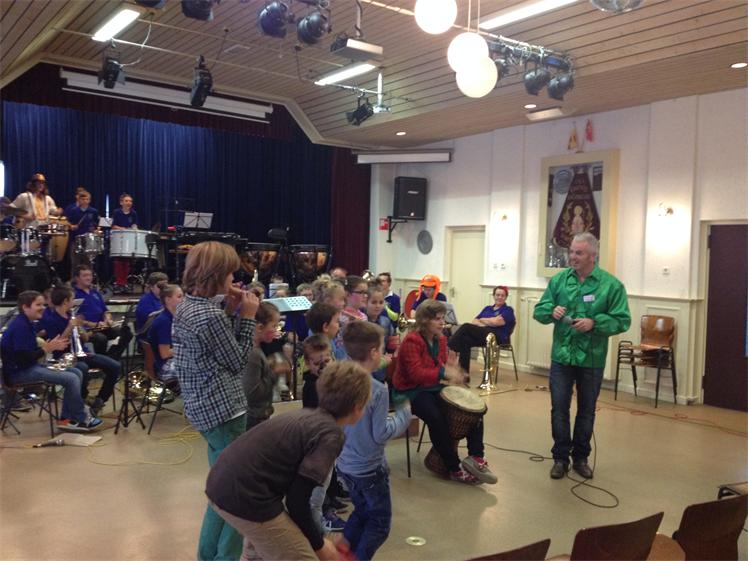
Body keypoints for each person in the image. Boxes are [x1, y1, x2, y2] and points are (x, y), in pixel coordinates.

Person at [205, 361, 371, 561]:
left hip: (223, 483)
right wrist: (320, 546)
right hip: (247, 495)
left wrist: (316, 537)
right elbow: (297, 502)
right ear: (357, 407)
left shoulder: (309, 417)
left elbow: (295, 498)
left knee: (266, 550)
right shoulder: (330, 435)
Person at [171, 241, 259, 561]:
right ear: (217, 275)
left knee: (220, 492)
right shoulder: (210, 316)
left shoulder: (187, 306)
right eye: (231, 273)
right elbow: (237, 361)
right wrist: (247, 317)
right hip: (224, 413)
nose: (234, 279)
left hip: (203, 411)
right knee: (237, 496)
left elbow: (215, 350)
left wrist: (231, 311)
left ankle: (208, 556)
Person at [533, 232, 631, 480]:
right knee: (559, 409)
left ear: (593, 256)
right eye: (571, 252)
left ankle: (581, 458)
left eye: (579, 253)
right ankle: (560, 458)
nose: (573, 257)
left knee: (586, 411)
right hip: (562, 357)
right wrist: (551, 311)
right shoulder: (559, 281)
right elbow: (539, 310)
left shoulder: (611, 285)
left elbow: (622, 320)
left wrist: (594, 323)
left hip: (591, 359)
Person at [393, 299, 496, 485]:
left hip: (431, 386)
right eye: (437, 319)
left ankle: (476, 457)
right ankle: (454, 467)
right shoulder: (412, 341)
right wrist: (444, 372)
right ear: (424, 320)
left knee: (473, 411)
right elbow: (416, 374)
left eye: (442, 318)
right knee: (436, 417)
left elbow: (439, 365)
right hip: (410, 390)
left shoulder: (440, 339)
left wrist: (454, 373)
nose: (442, 322)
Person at [338, 321, 411, 561]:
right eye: (381, 349)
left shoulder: (338, 378)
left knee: (361, 511)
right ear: (373, 353)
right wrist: (404, 413)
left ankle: (341, 552)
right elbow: (381, 433)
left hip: (345, 465)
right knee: (379, 523)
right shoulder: (377, 390)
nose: (382, 353)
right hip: (369, 469)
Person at [0, 290, 101, 432]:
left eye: (43, 304)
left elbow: (27, 353)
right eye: (38, 305)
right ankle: (81, 417)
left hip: (28, 367)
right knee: (71, 378)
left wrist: (47, 348)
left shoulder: (26, 323)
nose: (43, 307)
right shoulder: (20, 326)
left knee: (76, 372)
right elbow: (22, 358)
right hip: (19, 373)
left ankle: (66, 418)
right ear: (25, 307)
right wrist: (46, 349)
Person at [37, 285, 122, 417]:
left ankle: (100, 400)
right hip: (64, 357)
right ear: (65, 301)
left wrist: (80, 329)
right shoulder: (51, 319)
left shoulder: (71, 315)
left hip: (82, 353)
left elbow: (85, 339)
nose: (74, 302)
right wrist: (70, 327)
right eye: (72, 299)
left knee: (115, 366)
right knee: (82, 369)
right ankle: (82, 401)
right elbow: (59, 343)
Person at [448, 286, 516, 376]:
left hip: (497, 337)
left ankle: (450, 347)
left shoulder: (508, 310)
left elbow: (498, 322)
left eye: (502, 295)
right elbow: (474, 321)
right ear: (494, 296)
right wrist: (490, 321)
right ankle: (463, 374)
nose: (499, 297)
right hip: (484, 336)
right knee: (465, 340)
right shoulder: (487, 308)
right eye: (497, 295)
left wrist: (483, 320)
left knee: (466, 326)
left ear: (506, 297)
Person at [73, 264, 132, 361]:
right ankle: (105, 362)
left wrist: (107, 319)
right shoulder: (74, 294)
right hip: (87, 330)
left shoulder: (95, 292)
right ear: (77, 278)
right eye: (85, 276)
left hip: (102, 326)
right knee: (101, 339)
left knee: (126, 333)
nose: (88, 278)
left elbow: (105, 311)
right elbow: (75, 319)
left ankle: (110, 359)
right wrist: (94, 324)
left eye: (90, 275)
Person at [241, 301, 281, 431]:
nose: (276, 330)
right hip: (254, 417)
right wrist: (274, 373)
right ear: (259, 327)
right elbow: (252, 393)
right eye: (274, 326)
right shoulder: (253, 354)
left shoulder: (255, 350)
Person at [147, 283, 183, 381]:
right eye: (179, 297)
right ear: (168, 300)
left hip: (172, 360)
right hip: (165, 366)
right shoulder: (164, 321)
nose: (183, 300)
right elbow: (165, 353)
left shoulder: (174, 317)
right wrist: (187, 348)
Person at [64, 188, 100, 272]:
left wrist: (96, 230)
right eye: (83, 199)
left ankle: (88, 279)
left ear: (89, 200)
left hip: (89, 240)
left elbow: (97, 224)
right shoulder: (73, 211)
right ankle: (74, 279)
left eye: (87, 199)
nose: (85, 201)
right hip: (75, 239)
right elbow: (66, 222)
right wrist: (71, 226)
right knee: (75, 263)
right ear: (79, 200)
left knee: (88, 263)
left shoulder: (93, 211)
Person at [111, 193, 139, 292]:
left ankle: (124, 283)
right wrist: (122, 228)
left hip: (128, 239)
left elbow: (134, 224)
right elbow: (113, 226)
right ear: (121, 202)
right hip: (118, 238)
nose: (129, 203)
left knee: (127, 262)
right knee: (119, 261)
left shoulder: (133, 213)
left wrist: (135, 229)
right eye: (126, 201)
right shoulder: (116, 212)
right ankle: (119, 283)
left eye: (130, 201)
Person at [135, 272, 169, 337]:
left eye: (165, 285)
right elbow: (149, 319)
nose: (163, 288)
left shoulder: (166, 298)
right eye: (159, 286)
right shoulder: (145, 300)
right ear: (151, 287)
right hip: (149, 336)